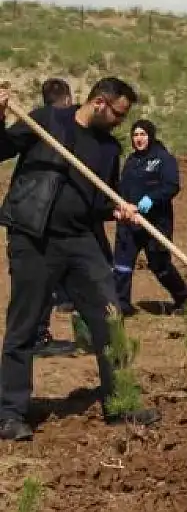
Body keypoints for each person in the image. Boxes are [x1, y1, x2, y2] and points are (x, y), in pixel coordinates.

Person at [0, 77, 160, 442]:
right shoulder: (49, 120)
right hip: (35, 237)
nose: (122, 122)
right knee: (24, 327)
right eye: (119, 113)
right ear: (100, 102)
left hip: (82, 242)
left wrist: (118, 210)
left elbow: (100, 200)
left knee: (110, 321)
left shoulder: (107, 149)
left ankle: (120, 404)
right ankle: (10, 413)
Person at [113, 119, 187, 316]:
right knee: (122, 264)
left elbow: (171, 185)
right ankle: (121, 304)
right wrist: (121, 207)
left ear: (150, 135)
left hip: (155, 222)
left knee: (160, 265)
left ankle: (183, 298)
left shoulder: (163, 159)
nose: (138, 139)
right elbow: (122, 188)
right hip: (130, 221)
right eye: (135, 135)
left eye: (142, 134)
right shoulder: (131, 161)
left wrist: (151, 199)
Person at [31, 78, 80, 357]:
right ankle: (38, 336)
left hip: (40, 214)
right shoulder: (59, 120)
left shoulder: (40, 119)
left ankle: (39, 333)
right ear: (68, 98)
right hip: (47, 214)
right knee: (44, 277)